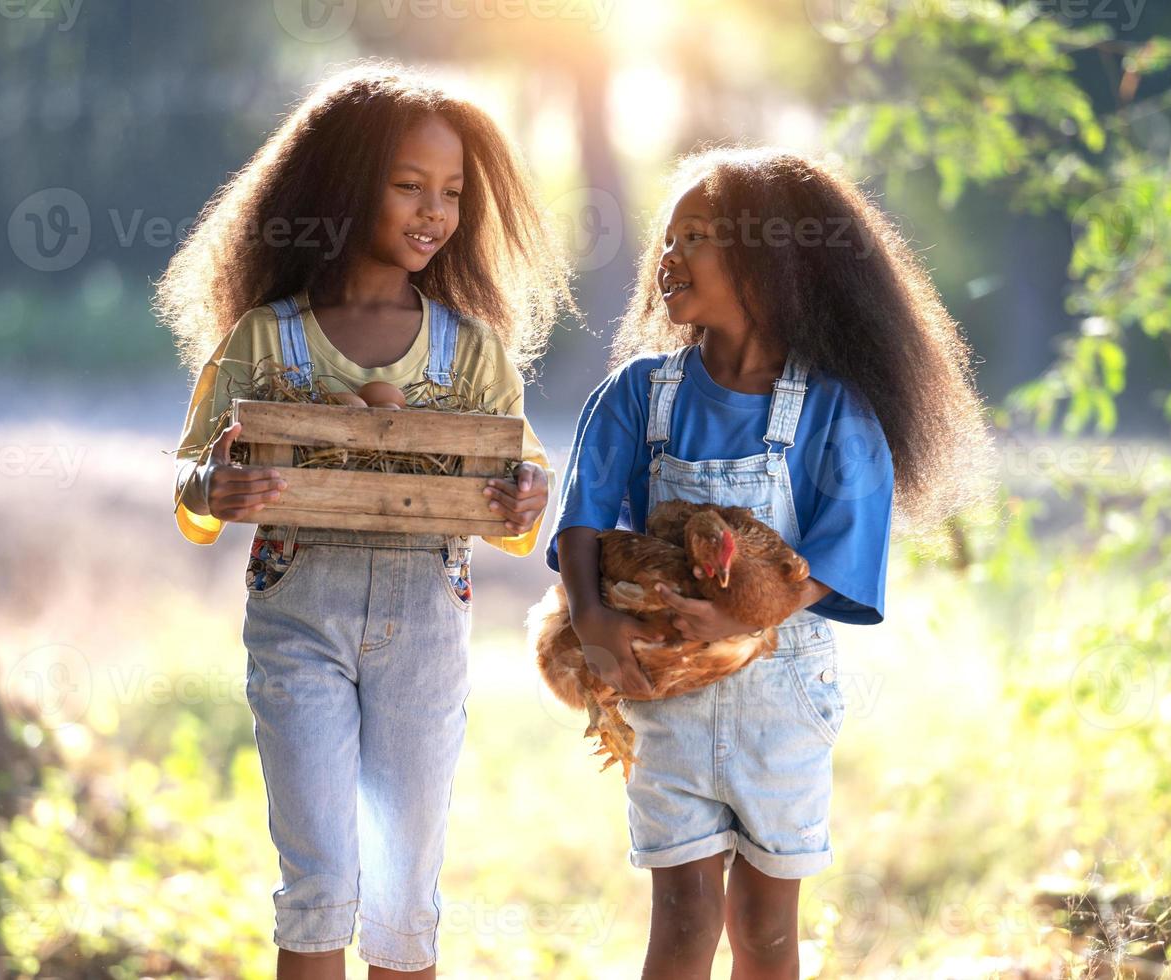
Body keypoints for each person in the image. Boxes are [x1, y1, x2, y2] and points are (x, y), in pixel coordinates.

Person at [158, 61, 572, 980]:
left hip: (427, 622)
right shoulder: (267, 338)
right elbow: (190, 475)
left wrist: (523, 499)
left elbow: (519, 488)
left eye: (453, 193)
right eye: (408, 185)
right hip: (298, 615)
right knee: (317, 886)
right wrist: (211, 492)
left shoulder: (472, 352)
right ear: (344, 187)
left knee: (402, 895)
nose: (434, 211)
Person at [547, 146, 994, 979]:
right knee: (682, 920)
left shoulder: (830, 407)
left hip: (780, 700)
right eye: (666, 240)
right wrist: (591, 619)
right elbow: (581, 515)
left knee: (764, 928)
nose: (668, 258)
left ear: (772, 263)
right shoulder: (638, 394)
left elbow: (846, 541)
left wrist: (747, 616)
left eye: (697, 238)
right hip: (665, 688)